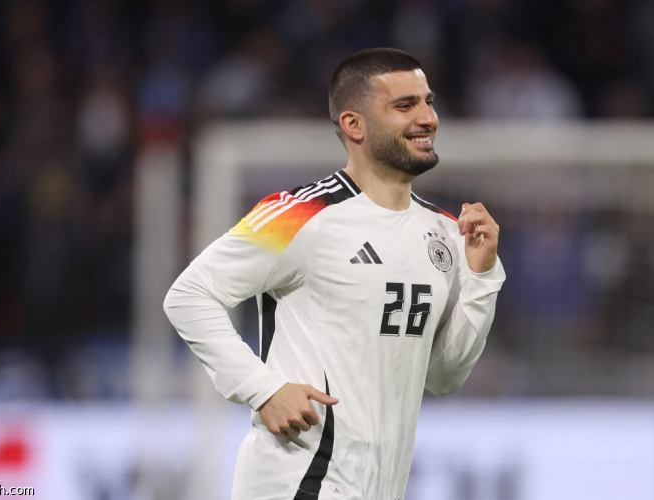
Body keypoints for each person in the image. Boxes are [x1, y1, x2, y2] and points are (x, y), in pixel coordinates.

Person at [163, 47, 505, 500]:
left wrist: (481, 278)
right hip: (301, 483)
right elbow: (190, 295)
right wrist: (263, 390)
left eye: (428, 101)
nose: (427, 118)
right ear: (353, 124)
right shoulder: (299, 213)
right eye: (404, 106)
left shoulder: (444, 233)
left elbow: (443, 376)